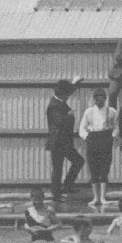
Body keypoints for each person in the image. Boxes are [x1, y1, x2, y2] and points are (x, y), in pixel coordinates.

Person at [75, 86, 117, 211]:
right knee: (93, 168)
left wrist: (113, 136)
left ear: (105, 99)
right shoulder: (89, 112)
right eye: (97, 99)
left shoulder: (112, 111)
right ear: (94, 99)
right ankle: (95, 197)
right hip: (93, 138)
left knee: (104, 168)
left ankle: (103, 197)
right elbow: (82, 128)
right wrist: (87, 137)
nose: (99, 101)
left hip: (106, 138)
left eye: (102, 99)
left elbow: (116, 126)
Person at [45, 78, 85, 207]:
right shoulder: (54, 105)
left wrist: (76, 84)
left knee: (78, 161)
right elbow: (59, 121)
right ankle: (56, 195)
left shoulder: (58, 101)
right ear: (63, 94)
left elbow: (70, 90)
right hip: (57, 143)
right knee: (58, 169)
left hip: (64, 142)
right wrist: (70, 115)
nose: (68, 97)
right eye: (67, 94)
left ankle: (67, 186)